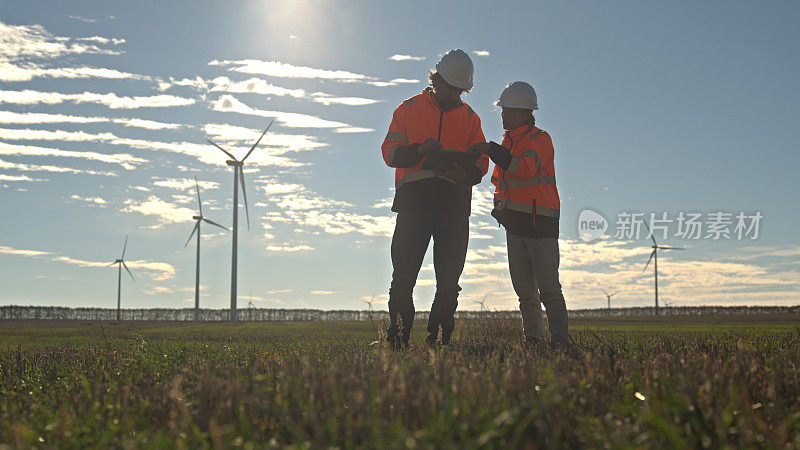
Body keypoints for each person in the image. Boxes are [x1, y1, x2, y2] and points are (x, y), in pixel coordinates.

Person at [380, 49, 489, 349]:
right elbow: (390, 152)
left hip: (454, 207)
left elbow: (481, 164)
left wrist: (462, 174)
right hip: (414, 204)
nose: (456, 95)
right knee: (402, 279)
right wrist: (417, 151)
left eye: (460, 90)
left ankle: (439, 341)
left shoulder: (471, 118)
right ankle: (399, 339)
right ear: (436, 79)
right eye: (451, 87)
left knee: (449, 285)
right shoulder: (408, 108)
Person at [469, 81, 569, 348]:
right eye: (503, 110)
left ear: (526, 113)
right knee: (525, 291)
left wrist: (492, 150)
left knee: (549, 290)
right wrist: (500, 208)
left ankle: (560, 341)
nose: (504, 115)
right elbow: (500, 180)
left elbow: (524, 169)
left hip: (540, 224)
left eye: (510, 111)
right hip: (516, 224)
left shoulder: (540, 139)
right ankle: (534, 340)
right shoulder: (507, 141)